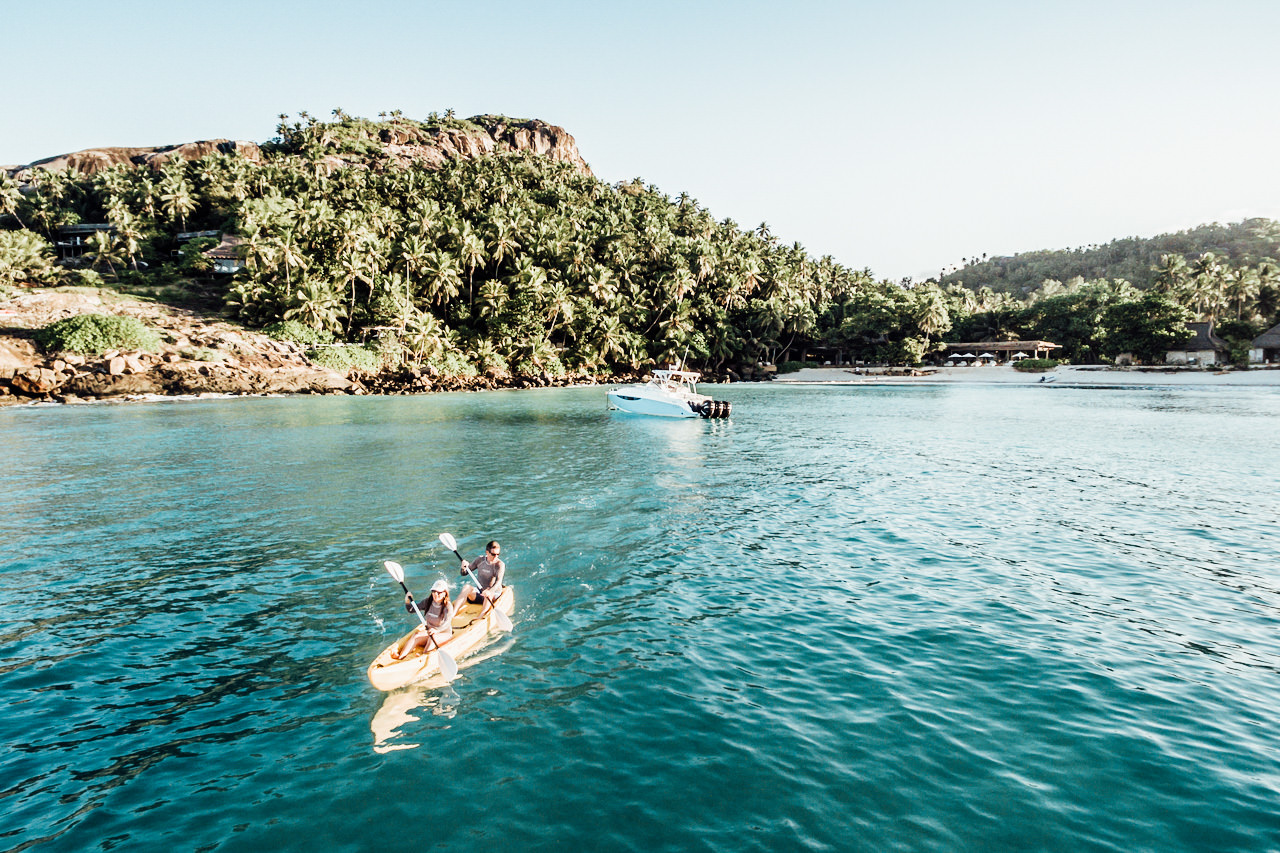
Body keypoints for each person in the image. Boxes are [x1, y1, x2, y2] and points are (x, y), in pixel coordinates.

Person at [391, 578, 459, 660]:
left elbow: (447, 623)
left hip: (444, 634)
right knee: (416, 636)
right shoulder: (428, 602)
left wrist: (437, 630)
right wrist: (407, 601)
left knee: (433, 638)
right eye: (434, 591)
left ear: (445, 593)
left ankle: (423, 657)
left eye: (439, 592)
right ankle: (401, 657)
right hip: (430, 632)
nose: (436, 594)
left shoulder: (447, 606)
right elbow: (411, 610)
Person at [459, 540, 505, 613]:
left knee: (488, 593)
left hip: (492, 594)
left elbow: (498, 582)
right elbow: (464, 573)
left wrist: (490, 591)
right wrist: (463, 567)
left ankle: (481, 617)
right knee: (466, 587)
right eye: (493, 554)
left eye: (498, 554)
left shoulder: (499, 565)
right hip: (480, 592)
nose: (496, 557)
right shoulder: (480, 560)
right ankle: (453, 613)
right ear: (487, 552)